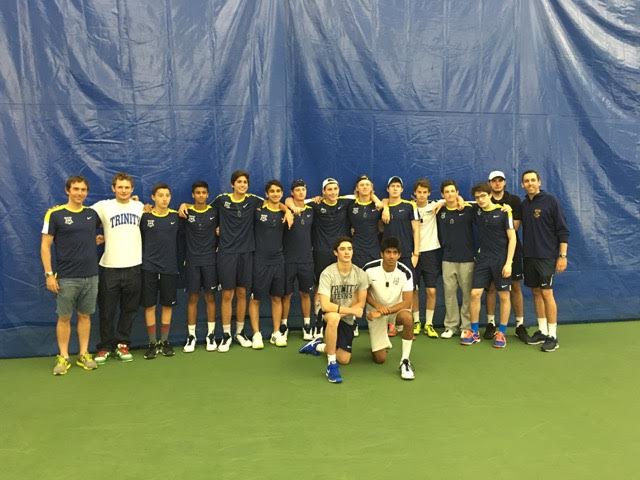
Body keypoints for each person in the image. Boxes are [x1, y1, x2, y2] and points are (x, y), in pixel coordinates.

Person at [180, 170, 291, 352]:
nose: (242, 185)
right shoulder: (222, 200)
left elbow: (274, 202)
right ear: (232, 184)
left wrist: (287, 210)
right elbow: (201, 207)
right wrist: (184, 205)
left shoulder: (253, 200)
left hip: (247, 254)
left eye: (245, 182)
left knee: (242, 293)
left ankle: (240, 332)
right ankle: (226, 335)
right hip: (226, 254)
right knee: (227, 294)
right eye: (239, 182)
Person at [41, 175, 100, 375]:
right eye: (76, 189)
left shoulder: (92, 214)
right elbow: (45, 246)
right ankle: (64, 356)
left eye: (83, 190)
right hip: (66, 277)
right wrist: (49, 274)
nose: (79, 193)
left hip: (91, 276)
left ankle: (84, 354)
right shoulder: (55, 214)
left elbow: (96, 234)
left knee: (85, 316)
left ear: (87, 192)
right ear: (68, 190)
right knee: (64, 317)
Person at [298, 237, 368, 384]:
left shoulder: (360, 274)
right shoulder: (327, 273)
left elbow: (360, 303)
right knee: (334, 317)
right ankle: (331, 365)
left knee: (344, 359)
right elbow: (325, 305)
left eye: (349, 249)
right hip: (328, 315)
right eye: (342, 249)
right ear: (336, 253)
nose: (346, 252)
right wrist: (349, 311)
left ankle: (317, 346)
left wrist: (346, 312)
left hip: (346, 316)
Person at [91, 172, 144, 364]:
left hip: (134, 267)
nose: (123, 191)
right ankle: (105, 347)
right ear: (113, 188)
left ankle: (123, 344)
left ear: (132, 189)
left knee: (129, 310)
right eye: (120, 187)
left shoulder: (139, 206)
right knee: (107, 311)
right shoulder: (103, 206)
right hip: (110, 267)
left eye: (127, 187)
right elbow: (80, 215)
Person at [520, 170, 569, 352]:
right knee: (535, 292)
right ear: (522, 185)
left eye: (533, 180)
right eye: (526, 181)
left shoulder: (550, 201)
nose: (530, 183)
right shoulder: (524, 205)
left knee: (547, 293)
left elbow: (563, 230)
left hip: (547, 257)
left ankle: (552, 336)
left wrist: (562, 256)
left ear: (539, 182)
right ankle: (542, 331)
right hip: (529, 257)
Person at [463, 183, 516, 348]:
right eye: (477, 197)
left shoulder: (504, 212)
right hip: (482, 259)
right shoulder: (476, 210)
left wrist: (509, 263)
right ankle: (474, 332)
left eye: (483, 196)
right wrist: (441, 203)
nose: (480, 200)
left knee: (504, 296)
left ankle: (501, 333)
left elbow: (512, 239)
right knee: (475, 294)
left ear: (490, 195)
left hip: (501, 260)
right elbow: (458, 201)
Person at [483, 170, 531, 343]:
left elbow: (514, 227)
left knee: (515, 287)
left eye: (500, 180)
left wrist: (507, 213)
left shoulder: (514, 201)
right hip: (490, 252)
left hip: (512, 251)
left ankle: (519, 325)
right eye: (494, 181)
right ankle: (491, 324)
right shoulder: (484, 200)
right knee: (491, 287)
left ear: (504, 183)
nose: (497, 183)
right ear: (489, 183)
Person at [362, 237, 416, 380]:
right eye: (388, 252)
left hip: (396, 311)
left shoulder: (405, 272)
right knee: (380, 359)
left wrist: (386, 310)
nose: (391, 256)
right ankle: (380, 342)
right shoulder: (369, 268)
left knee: (408, 318)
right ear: (381, 254)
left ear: (399, 255)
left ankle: (405, 361)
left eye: (395, 253)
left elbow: (407, 302)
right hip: (375, 312)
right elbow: (363, 293)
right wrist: (377, 307)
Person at [140, 184, 181, 359]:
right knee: (149, 305)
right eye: (160, 195)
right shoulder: (144, 216)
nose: (164, 199)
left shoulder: (176, 216)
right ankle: (152, 343)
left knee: (167, 305)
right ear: (153, 197)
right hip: (148, 267)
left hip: (169, 268)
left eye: (167, 195)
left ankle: (164, 341)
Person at [248, 180, 287, 349]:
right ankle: (256, 334)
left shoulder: (285, 213)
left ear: (282, 194)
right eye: (272, 191)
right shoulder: (257, 209)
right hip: (260, 260)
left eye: (278, 191)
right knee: (256, 298)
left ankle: (276, 333)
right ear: (266, 194)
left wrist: (288, 210)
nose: (275, 194)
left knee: (277, 297)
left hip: (278, 260)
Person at [182, 181, 218, 353]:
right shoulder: (186, 212)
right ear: (193, 195)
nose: (201, 195)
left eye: (204, 192)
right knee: (193, 298)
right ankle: (192, 336)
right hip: (192, 262)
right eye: (198, 192)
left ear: (208, 195)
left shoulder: (214, 212)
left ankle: (211, 335)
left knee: (210, 297)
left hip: (210, 261)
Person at [380, 176, 419, 337]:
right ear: (388, 189)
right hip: (388, 255)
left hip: (406, 254)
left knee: (408, 290)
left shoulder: (410, 206)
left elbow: (416, 230)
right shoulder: (382, 206)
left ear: (402, 189)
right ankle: (390, 324)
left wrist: (416, 253)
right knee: (388, 289)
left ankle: (407, 324)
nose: (395, 188)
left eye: (398, 186)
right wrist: (385, 206)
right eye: (392, 186)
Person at [436, 179, 475, 339]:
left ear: (457, 193)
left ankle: (466, 327)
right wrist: (440, 203)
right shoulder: (439, 210)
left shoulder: (468, 209)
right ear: (442, 194)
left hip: (467, 259)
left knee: (467, 295)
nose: (450, 194)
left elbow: (484, 203)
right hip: (447, 259)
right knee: (449, 294)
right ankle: (451, 326)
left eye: (453, 191)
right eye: (447, 192)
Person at [282, 179, 315, 340]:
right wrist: (290, 207)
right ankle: (284, 325)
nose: (301, 192)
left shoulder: (312, 210)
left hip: (306, 260)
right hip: (288, 260)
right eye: (297, 190)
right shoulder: (285, 209)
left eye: (303, 189)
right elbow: (285, 201)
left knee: (306, 294)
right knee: (286, 294)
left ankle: (307, 325)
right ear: (292, 192)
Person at [412, 178, 442, 338]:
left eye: (425, 192)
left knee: (431, 290)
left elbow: (454, 199)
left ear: (429, 193)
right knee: (413, 290)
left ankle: (429, 324)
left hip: (431, 253)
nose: (422, 195)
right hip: (414, 253)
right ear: (414, 193)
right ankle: (416, 322)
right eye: (419, 192)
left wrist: (446, 202)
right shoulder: (409, 207)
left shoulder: (434, 205)